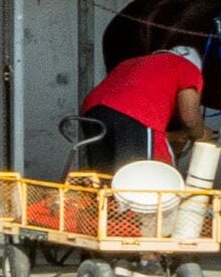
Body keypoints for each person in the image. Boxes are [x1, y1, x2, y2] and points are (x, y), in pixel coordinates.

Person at [69, 40, 206, 176]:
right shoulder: (188, 68)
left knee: (104, 178)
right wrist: (201, 134)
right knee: (150, 176)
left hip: (92, 110)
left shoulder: (132, 62)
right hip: (134, 113)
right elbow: (190, 118)